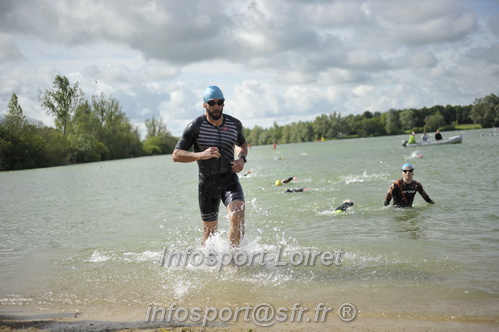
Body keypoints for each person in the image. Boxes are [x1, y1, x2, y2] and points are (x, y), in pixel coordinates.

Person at [172, 85, 248, 247]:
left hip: (229, 180)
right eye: (211, 103)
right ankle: (208, 267)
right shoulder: (196, 127)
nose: (216, 106)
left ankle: (233, 263)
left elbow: (242, 144)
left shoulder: (234, 124)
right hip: (208, 184)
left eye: (219, 102)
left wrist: (242, 159)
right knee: (209, 233)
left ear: (223, 104)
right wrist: (201, 155)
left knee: (238, 215)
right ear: (204, 104)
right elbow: (176, 155)